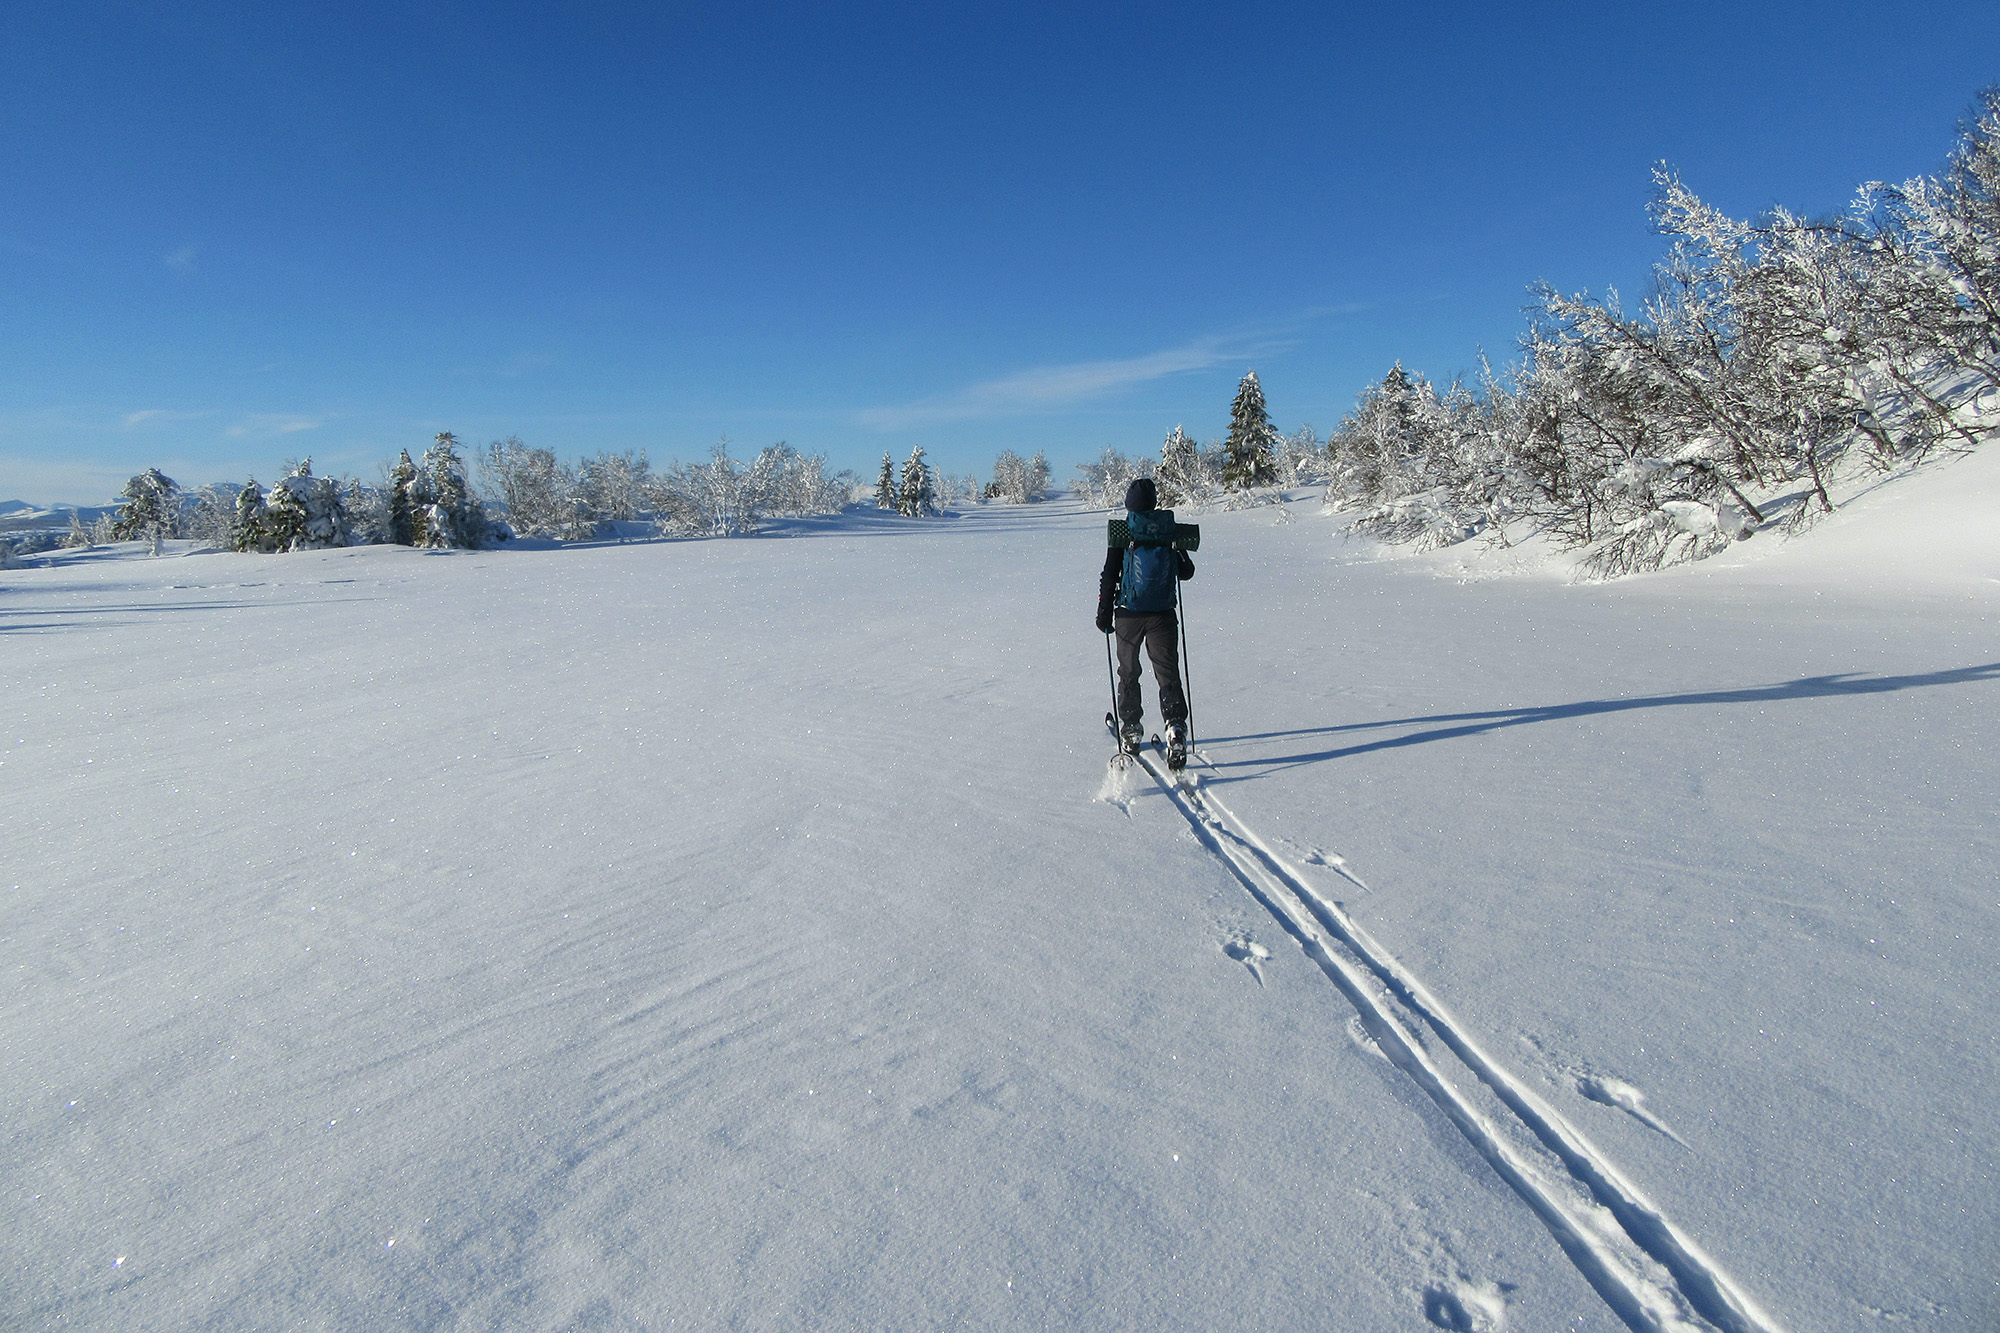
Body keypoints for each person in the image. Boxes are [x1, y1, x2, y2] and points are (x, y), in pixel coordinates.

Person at [1095, 477, 1194, 767]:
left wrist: (1103, 612)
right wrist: (1176, 548)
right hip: (1163, 614)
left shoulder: (1123, 530)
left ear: (1129, 505)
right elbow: (1186, 572)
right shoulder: (1165, 529)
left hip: (1127, 614)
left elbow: (1110, 573)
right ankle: (1175, 726)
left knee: (1128, 672)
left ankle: (1130, 729)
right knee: (1167, 672)